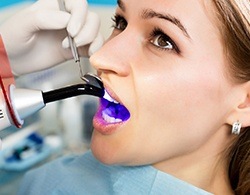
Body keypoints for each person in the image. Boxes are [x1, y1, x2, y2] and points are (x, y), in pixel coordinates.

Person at [16, 0, 249, 194]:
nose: (101, 58)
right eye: (121, 22)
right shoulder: (55, 181)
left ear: (245, 102)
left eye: (163, 41)